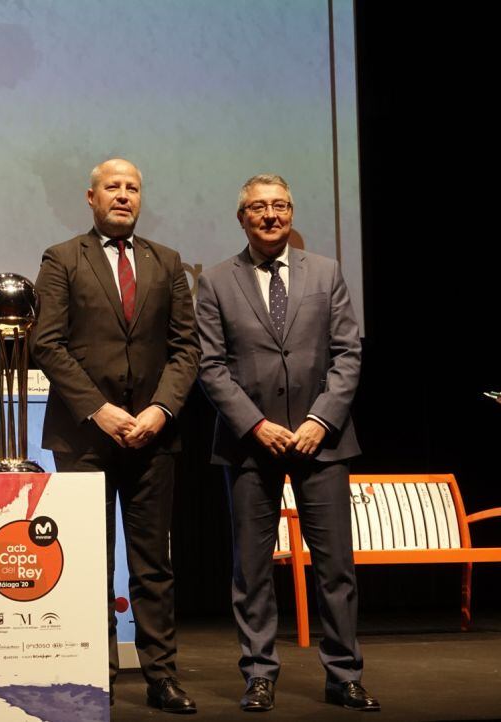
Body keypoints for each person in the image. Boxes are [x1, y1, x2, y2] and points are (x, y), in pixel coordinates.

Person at [195, 174, 379, 712]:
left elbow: (348, 353)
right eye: (258, 207)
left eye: (279, 205)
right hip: (251, 443)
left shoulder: (326, 271)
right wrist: (255, 425)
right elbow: (210, 365)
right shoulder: (215, 281)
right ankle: (258, 674)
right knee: (251, 569)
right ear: (242, 217)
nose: (270, 215)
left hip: (323, 441)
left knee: (336, 568)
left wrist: (321, 419)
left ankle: (343, 675)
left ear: (292, 212)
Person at [31, 158, 200, 714]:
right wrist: (99, 410)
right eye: (112, 187)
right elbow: (47, 343)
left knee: (153, 565)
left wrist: (162, 410)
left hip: (152, 437)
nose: (123, 196)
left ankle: (162, 676)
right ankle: (92, 674)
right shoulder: (61, 259)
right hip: (84, 437)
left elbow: (186, 349)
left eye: (132, 188)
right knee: (87, 564)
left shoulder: (167, 262)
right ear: (90, 197)